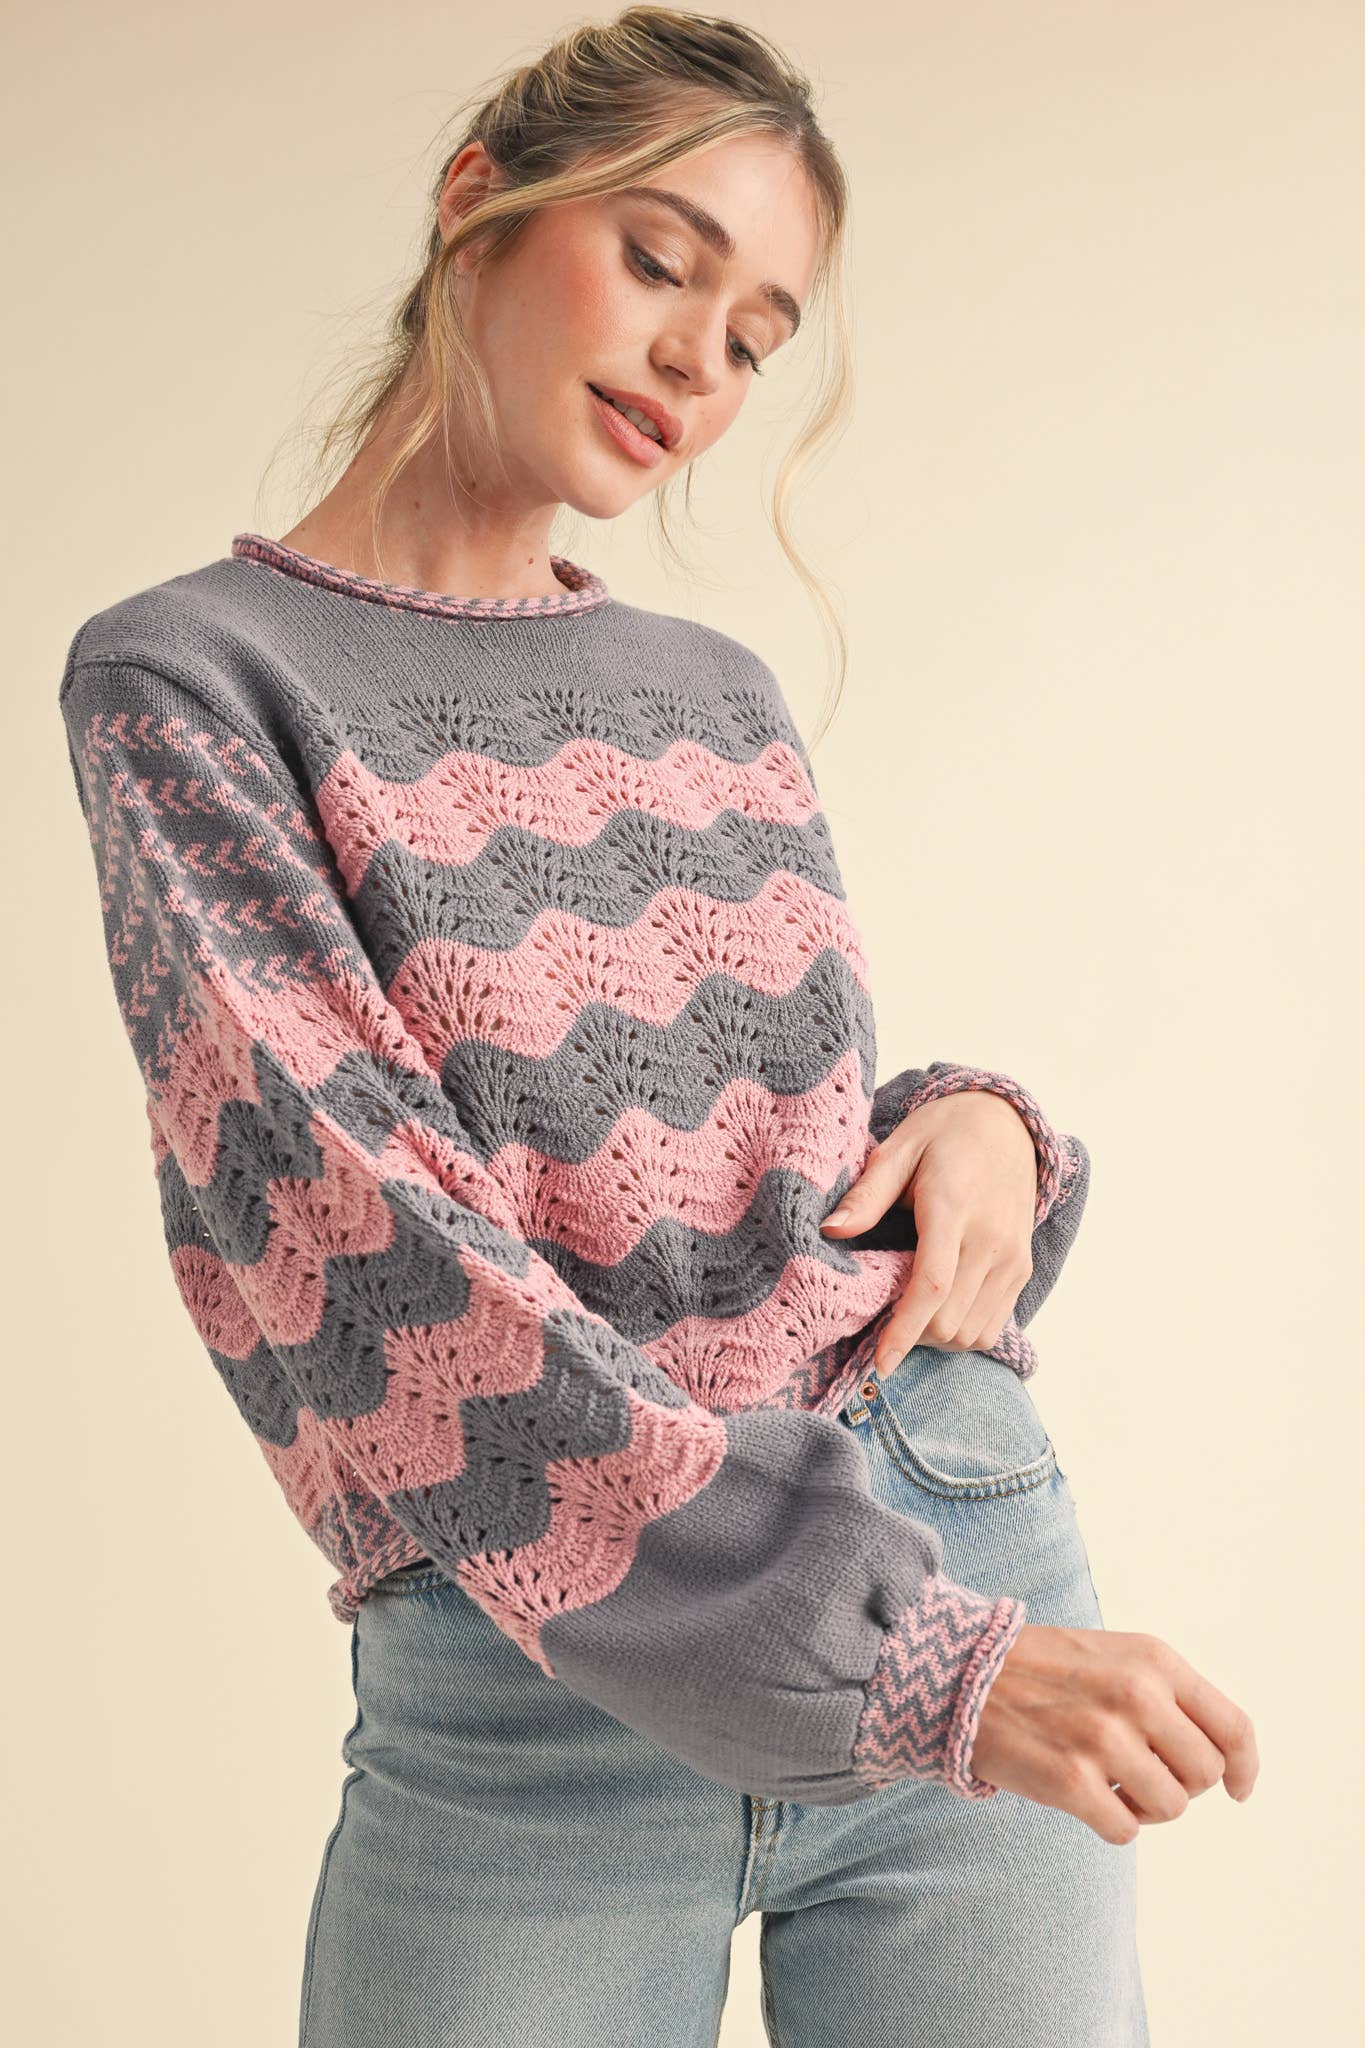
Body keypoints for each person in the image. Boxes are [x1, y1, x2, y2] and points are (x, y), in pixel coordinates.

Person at [57, 9, 1257, 2043]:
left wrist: (974, 1122)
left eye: (759, 334)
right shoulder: (194, 679)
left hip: (945, 1538)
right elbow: (362, 1245)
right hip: (539, 1670)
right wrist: (910, 1667)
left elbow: (763, 1156)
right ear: (480, 204)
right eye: (660, 261)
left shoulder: (717, 696)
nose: (701, 360)